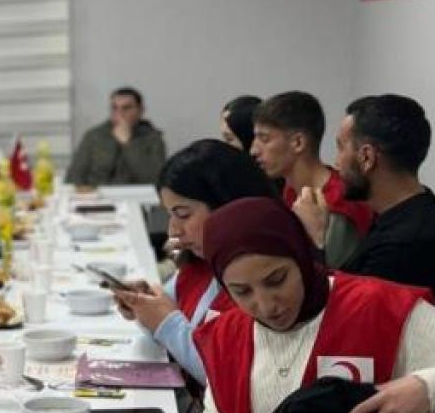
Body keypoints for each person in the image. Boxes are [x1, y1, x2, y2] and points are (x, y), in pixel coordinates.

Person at [189, 197, 435, 413]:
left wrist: (428, 389)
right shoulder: (227, 336)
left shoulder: (378, 308)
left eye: (277, 280)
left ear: (300, 254)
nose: (266, 305)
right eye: (242, 292)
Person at [299, 95, 435, 329]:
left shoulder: (409, 242)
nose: (337, 162)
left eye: (341, 148)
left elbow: (344, 319)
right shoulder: (404, 216)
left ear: (367, 157)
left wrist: (315, 240)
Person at [112, 140, 278, 385]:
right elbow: (162, 317)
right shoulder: (200, 264)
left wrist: (164, 321)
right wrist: (143, 303)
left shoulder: (260, 277)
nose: (173, 230)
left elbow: (226, 375)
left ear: (226, 207)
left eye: (183, 215)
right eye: (171, 216)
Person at [249, 91, 373, 268]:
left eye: (264, 139)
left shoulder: (340, 201)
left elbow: (333, 279)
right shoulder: (291, 189)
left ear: (298, 142)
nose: (254, 150)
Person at [66, 87, 167, 186]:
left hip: (137, 197)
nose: (120, 113)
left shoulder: (153, 138)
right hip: (99, 197)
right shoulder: (94, 136)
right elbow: (74, 176)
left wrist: (128, 145)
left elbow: (156, 179)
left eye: (126, 108)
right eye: (115, 108)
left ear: (140, 110)